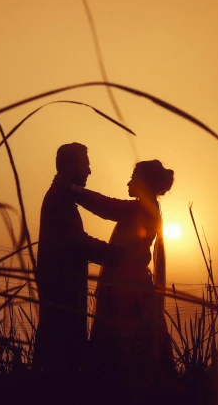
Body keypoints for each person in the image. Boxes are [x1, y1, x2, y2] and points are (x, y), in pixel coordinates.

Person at [72, 159, 175, 387]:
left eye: (133, 177)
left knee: (121, 343)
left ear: (143, 182)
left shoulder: (141, 208)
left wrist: (74, 191)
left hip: (126, 288)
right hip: (130, 284)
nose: (129, 181)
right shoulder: (147, 207)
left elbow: (107, 206)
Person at [34, 143, 122, 373]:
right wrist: (116, 254)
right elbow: (78, 242)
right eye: (86, 164)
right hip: (62, 293)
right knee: (62, 360)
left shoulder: (62, 197)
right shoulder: (58, 200)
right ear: (71, 164)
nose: (89, 171)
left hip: (63, 292)